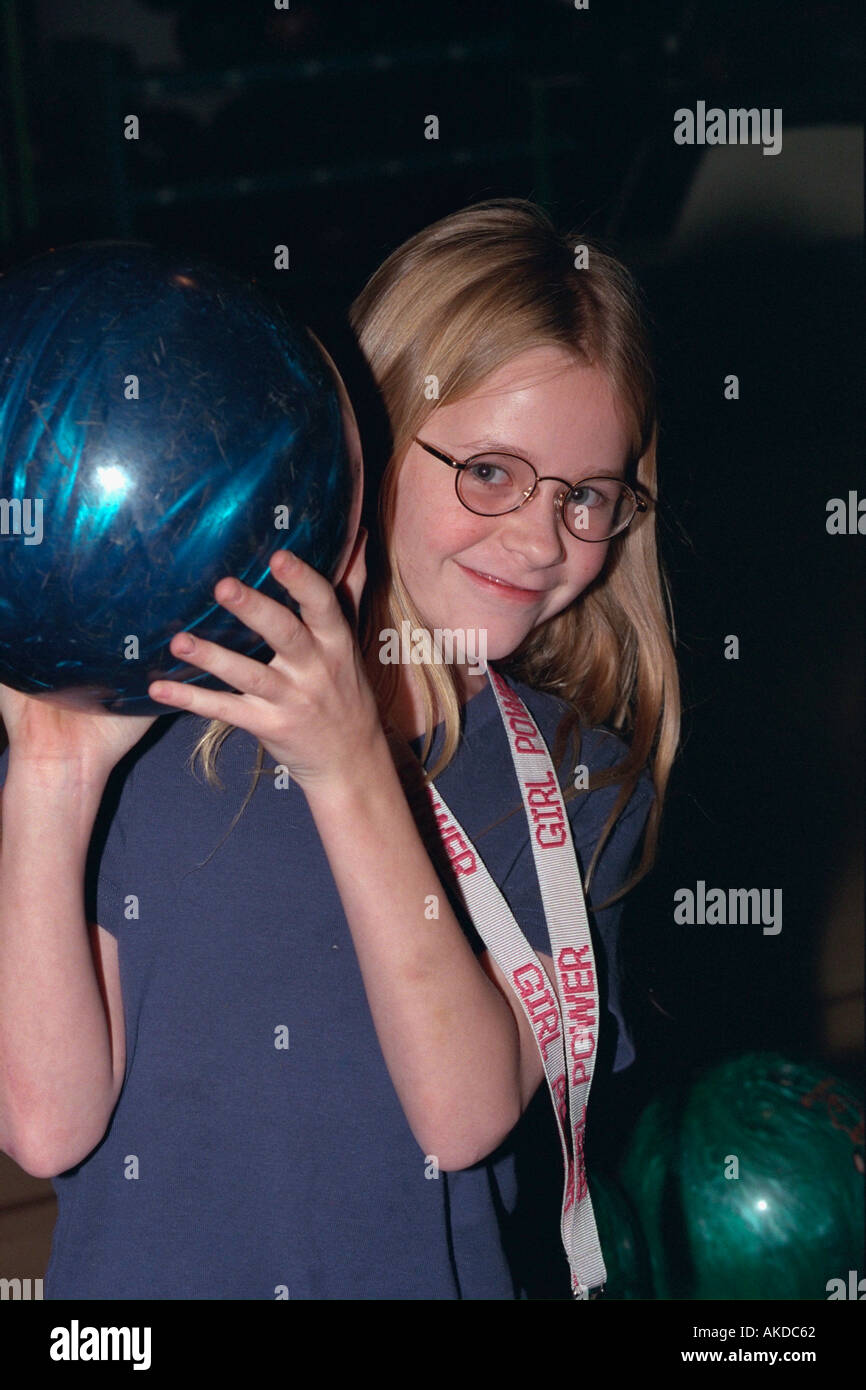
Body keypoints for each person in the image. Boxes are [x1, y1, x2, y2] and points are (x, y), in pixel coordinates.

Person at [0, 197, 679, 1299]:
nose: (540, 536)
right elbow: (43, 1123)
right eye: (491, 472)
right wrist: (48, 776)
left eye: (586, 496)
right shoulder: (162, 730)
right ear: (359, 435)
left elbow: (462, 1116)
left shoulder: (572, 772)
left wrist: (350, 765)